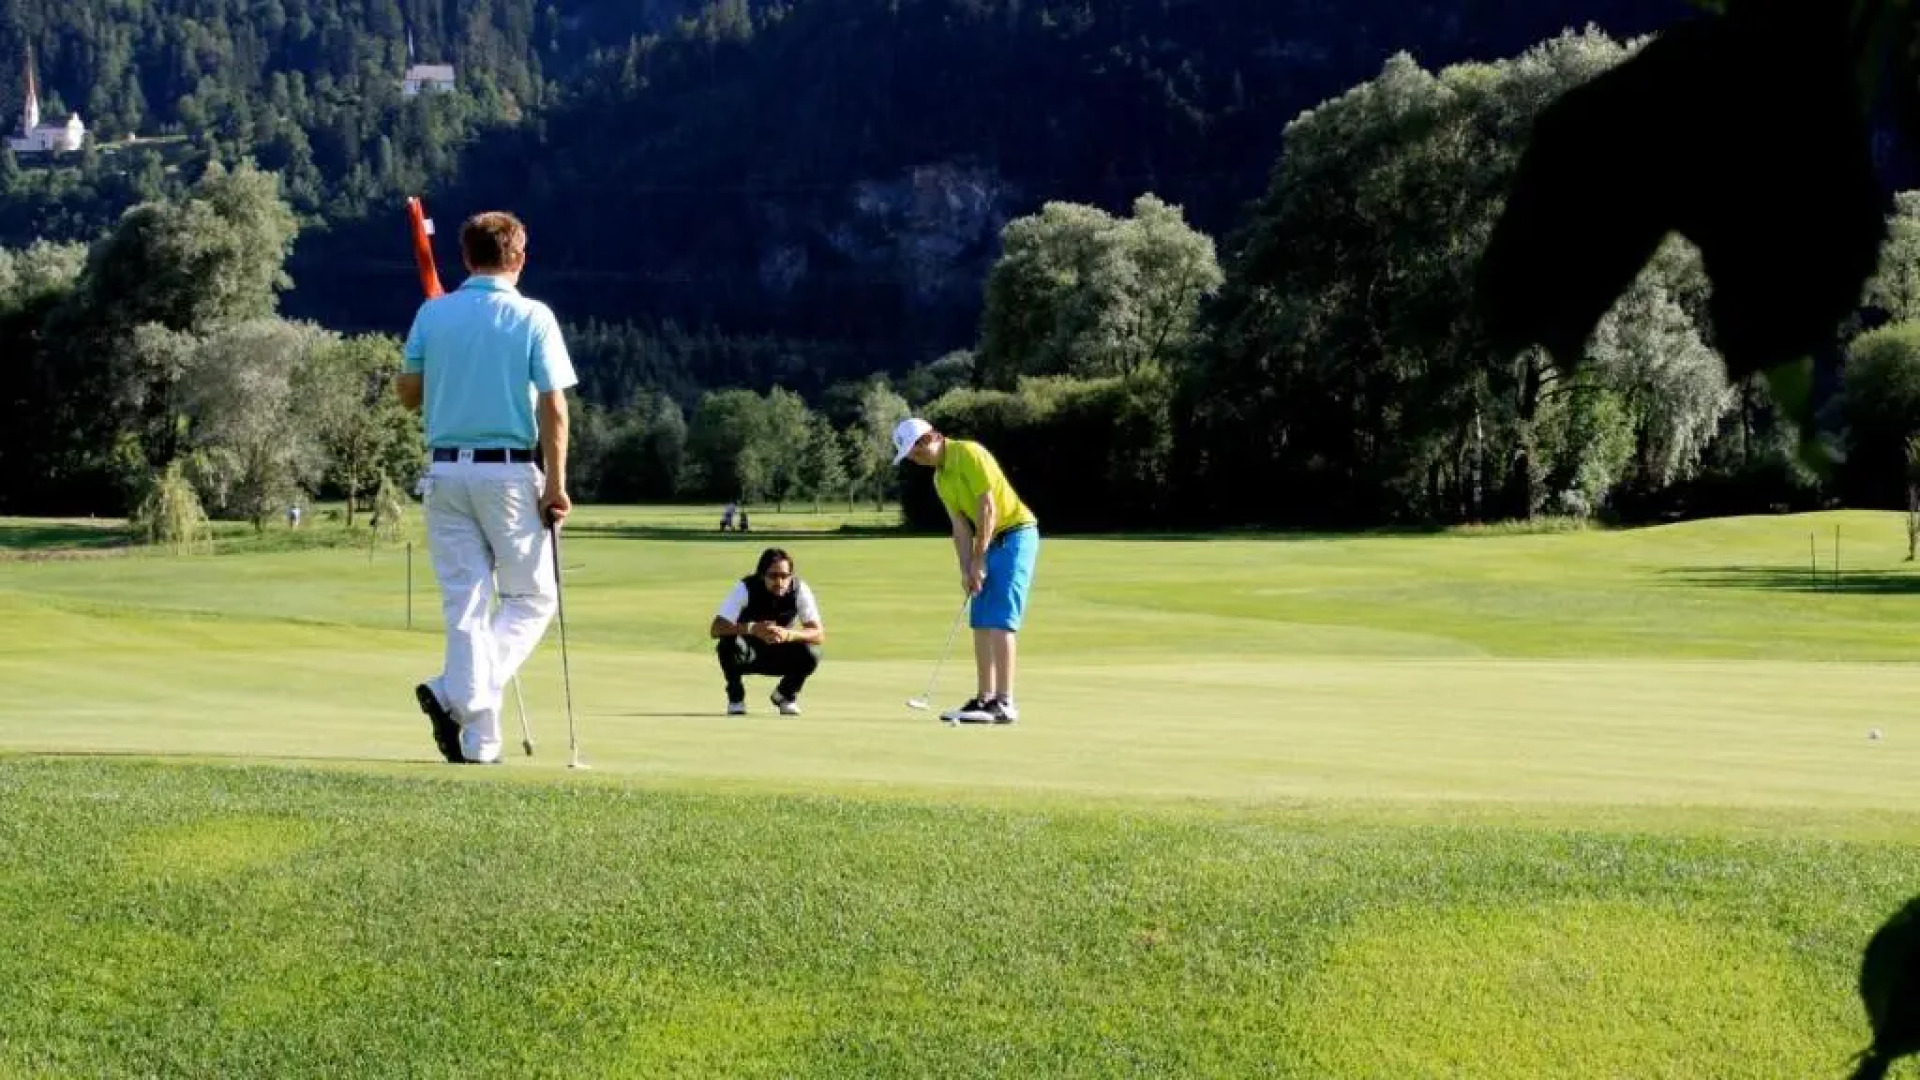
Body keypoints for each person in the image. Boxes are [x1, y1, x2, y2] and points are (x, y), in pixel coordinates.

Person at [396, 210, 577, 764]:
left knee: (467, 606)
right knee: (531, 597)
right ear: (517, 258)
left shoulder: (434, 313)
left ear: (467, 258)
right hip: (508, 472)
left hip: (444, 472)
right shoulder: (533, 316)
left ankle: (480, 743)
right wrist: (557, 483)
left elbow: (408, 394)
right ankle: (456, 695)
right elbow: (554, 406)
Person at [890, 417, 1039, 724]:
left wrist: (980, 559)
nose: (916, 458)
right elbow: (959, 526)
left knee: (1000, 618)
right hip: (991, 540)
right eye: (911, 456)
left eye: (918, 450)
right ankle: (984, 699)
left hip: (1015, 534)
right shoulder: (940, 479)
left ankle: (1005, 702)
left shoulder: (968, 453)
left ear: (934, 437)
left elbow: (988, 508)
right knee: (980, 618)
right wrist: (966, 568)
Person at [709, 547, 824, 716]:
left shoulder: (799, 590)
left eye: (784, 576)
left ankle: (784, 695)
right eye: (773, 576)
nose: (779, 581)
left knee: (812, 652)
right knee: (727, 644)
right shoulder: (745, 588)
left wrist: (789, 634)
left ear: (790, 576)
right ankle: (736, 697)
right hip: (749, 654)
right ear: (762, 575)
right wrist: (752, 628)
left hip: (780, 652)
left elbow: (818, 633)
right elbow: (716, 628)